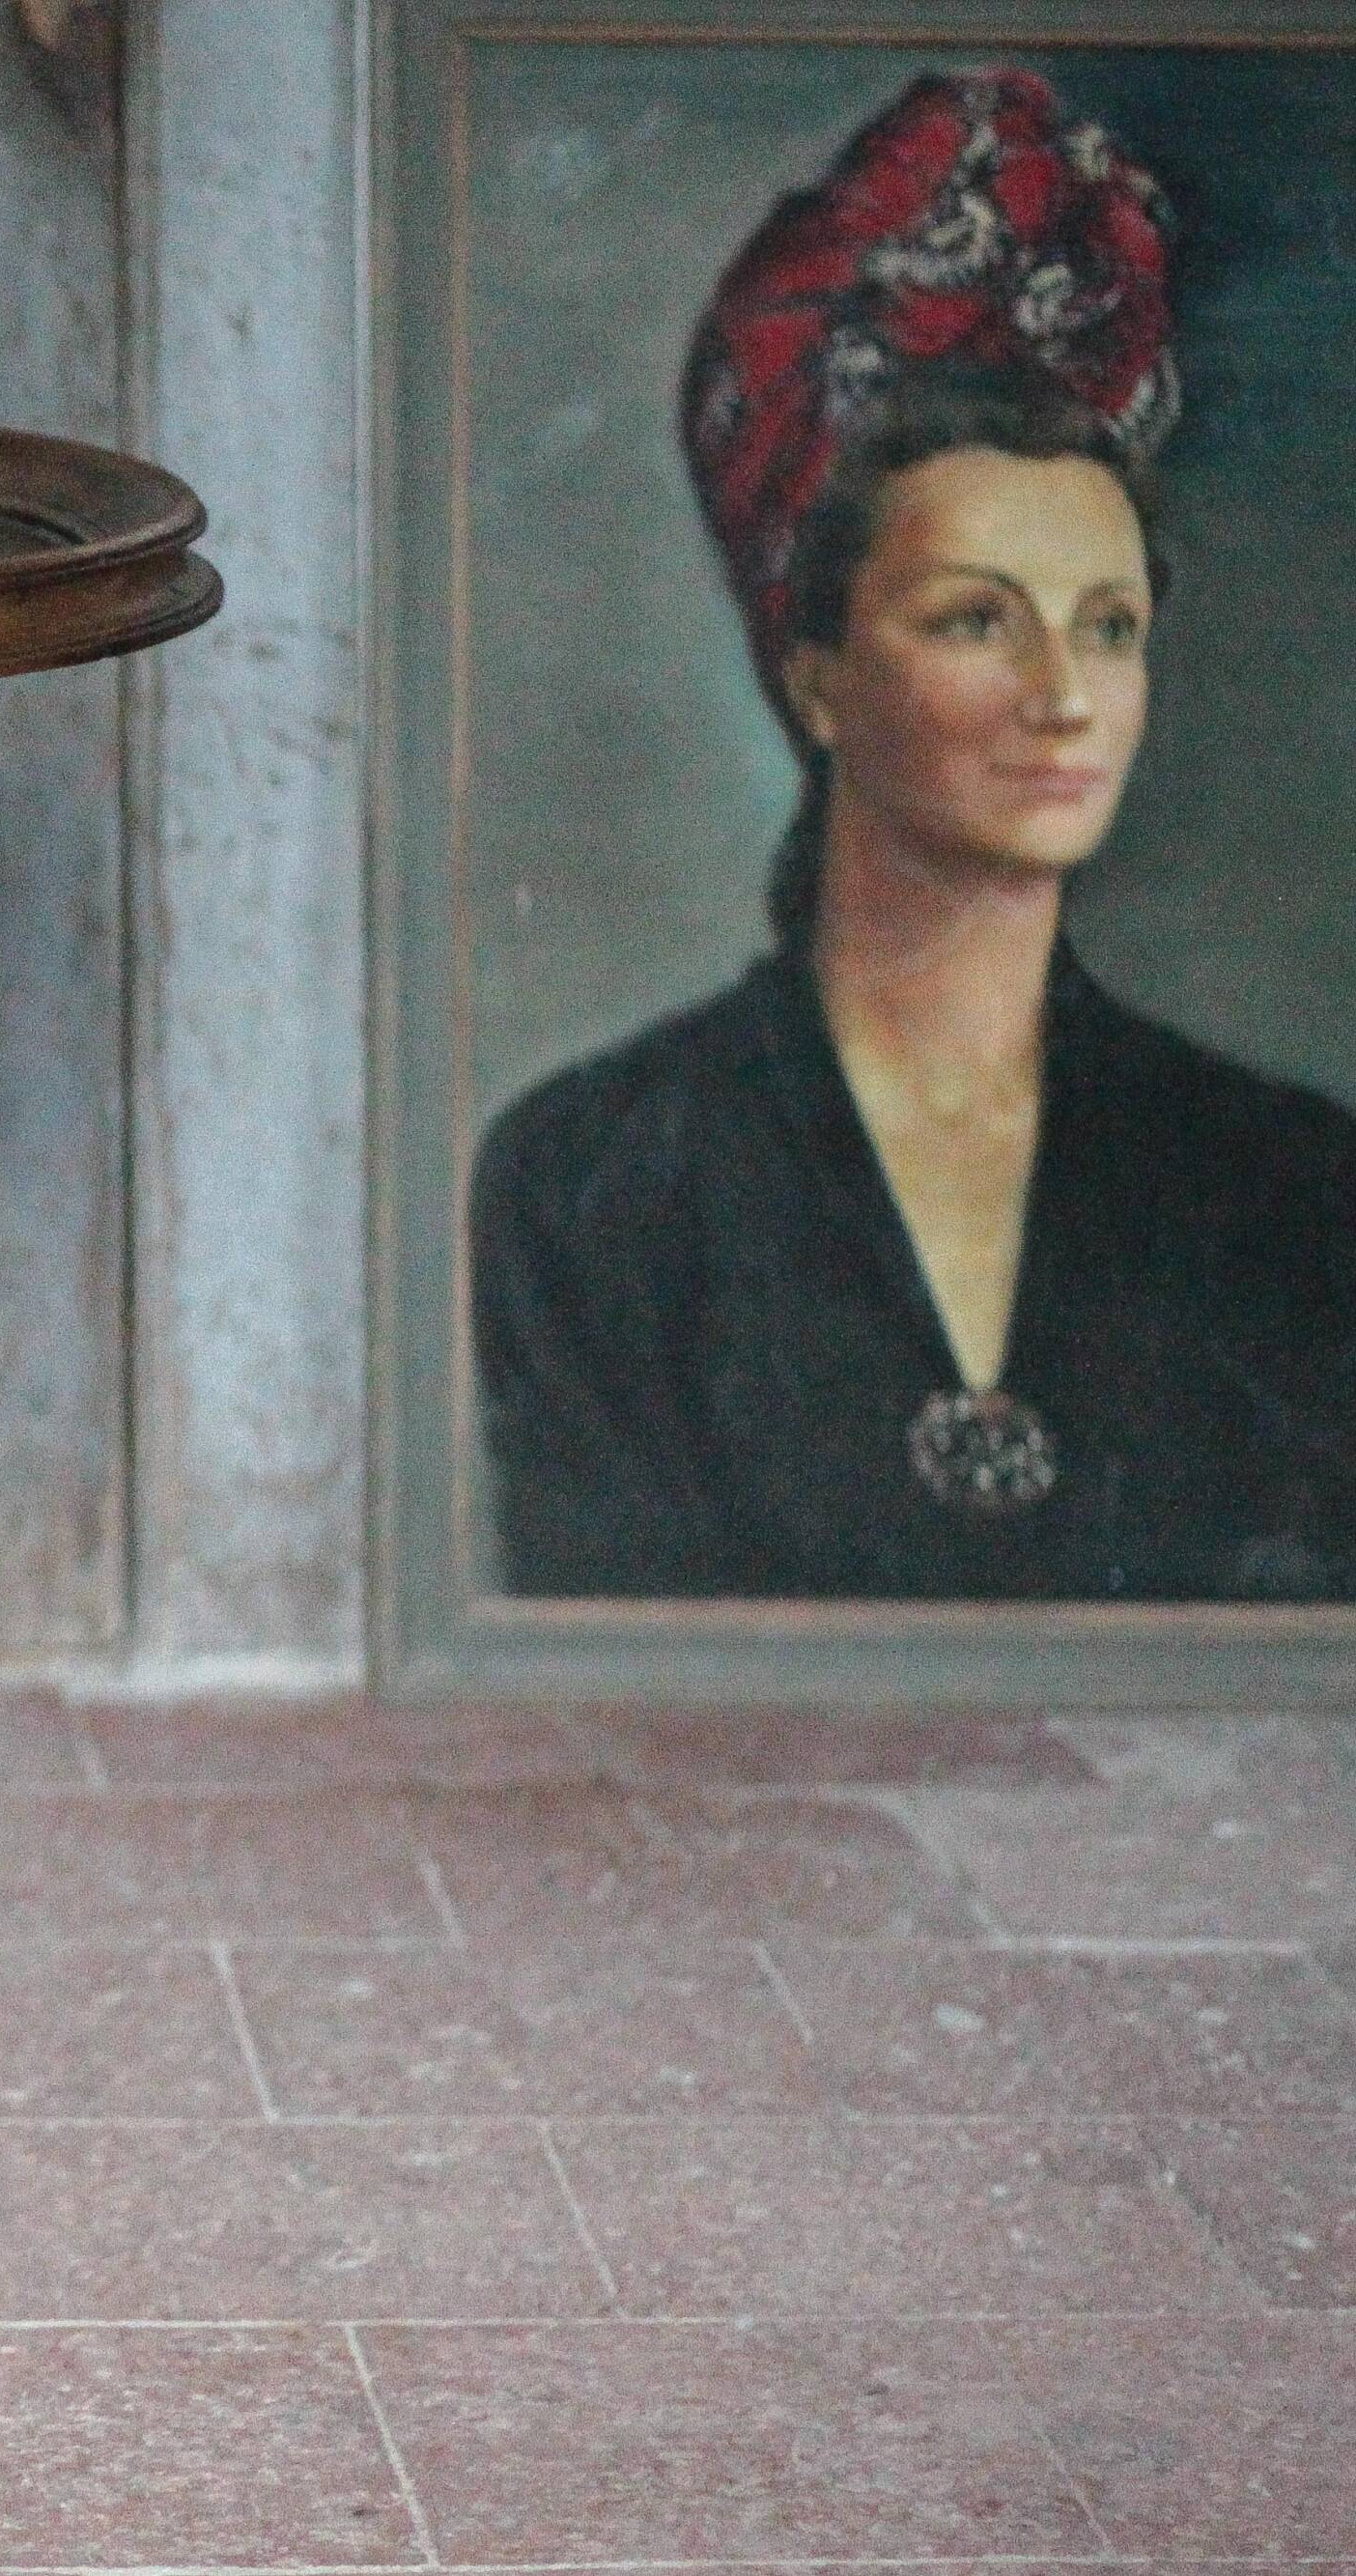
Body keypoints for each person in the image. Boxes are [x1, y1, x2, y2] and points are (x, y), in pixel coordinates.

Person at [471, 68, 1356, 1601]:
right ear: (818, 674)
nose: (1065, 697)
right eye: (974, 620)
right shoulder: (597, 1179)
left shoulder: (1298, 1185)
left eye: (1112, 627)